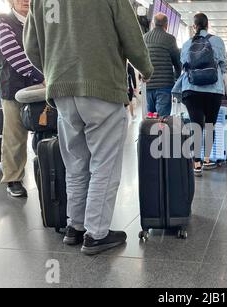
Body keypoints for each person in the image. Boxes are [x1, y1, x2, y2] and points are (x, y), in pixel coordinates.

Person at [24, 0, 153, 254]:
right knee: (104, 164)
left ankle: (75, 226)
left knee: (75, 163)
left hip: (61, 91)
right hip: (102, 86)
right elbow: (131, 36)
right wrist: (146, 68)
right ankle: (96, 234)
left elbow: (31, 46)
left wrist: (54, 68)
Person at [0, 0, 44, 198]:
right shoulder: (2, 21)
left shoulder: (39, 22)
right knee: (15, 135)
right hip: (14, 87)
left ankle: (47, 168)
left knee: (46, 129)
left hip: (41, 88)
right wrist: (41, 76)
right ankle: (13, 178)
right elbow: (13, 53)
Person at [175, 13, 227, 177]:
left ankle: (196, 162)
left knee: (196, 125)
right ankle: (206, 158)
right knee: (210, 125)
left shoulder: (186, 44)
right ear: (207, 25)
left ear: (194, 26)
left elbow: (183, 64)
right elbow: (224, 65)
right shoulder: (217, 41)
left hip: (191, 88)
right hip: (213, 89)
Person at [144, 13, 181, 116]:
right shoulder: (170, 39)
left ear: (153, 24)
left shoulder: (144, 37)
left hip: (148, 84)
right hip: (165, 85)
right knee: (162, 119)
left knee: (150, 117)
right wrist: (177, 78)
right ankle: (161, 132)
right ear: (166, 25)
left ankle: (151, 132)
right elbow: (177, 62)